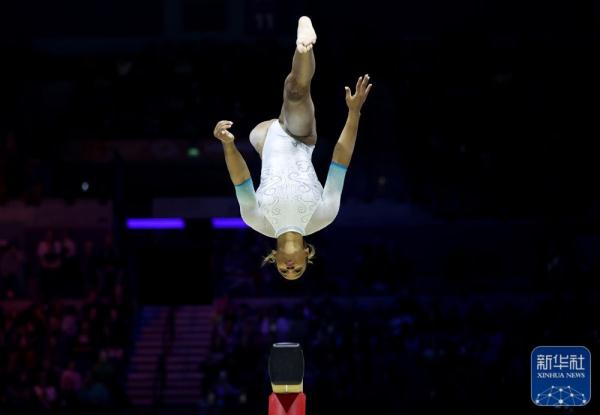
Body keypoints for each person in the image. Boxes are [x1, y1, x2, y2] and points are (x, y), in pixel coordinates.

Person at [213, 16, 372, 280]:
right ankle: (304, 47)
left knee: (282, 107)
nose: (290, 268)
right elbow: (340, 161)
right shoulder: (323, 217)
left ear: (274, 258)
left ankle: (302, 55)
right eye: (297, 270)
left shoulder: (257, 221)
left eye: (283, 270)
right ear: (307, 256)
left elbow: (240, 180)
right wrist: (354, 113)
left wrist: (228, 145)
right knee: (295, 91)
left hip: (262, 140)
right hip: (299, 137)